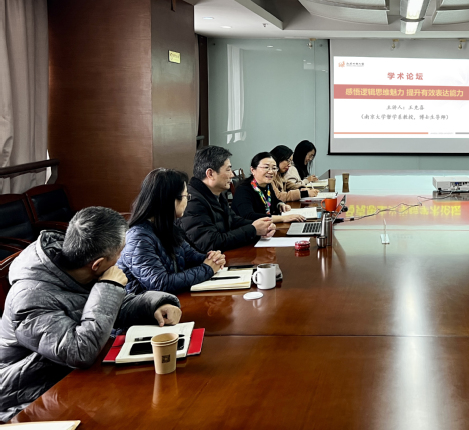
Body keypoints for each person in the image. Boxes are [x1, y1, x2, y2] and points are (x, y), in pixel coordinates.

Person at [0, 207, 182, 420]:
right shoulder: (29, 299)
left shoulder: (77, 265)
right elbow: (79, 352)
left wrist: (154, 305)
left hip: (73, 379)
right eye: (120, 253)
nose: (121, 259)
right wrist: (109, 287)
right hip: (29, 398)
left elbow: (109, 307)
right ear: (97, 264)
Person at [118, 169, 227, 295]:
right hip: (145, 305)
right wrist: (207, 269)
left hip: (169, 300)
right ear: (170, 200)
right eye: (186, 196)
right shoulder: (138, 237)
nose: (187, 201)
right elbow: (160, 283)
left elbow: (192, 257)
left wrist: (213, 258)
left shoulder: (167, 228)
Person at [179, 145, 276, 252]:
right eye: (228, 169)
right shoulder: (192, 201)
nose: (232, 174)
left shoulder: (216, 194)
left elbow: (233, 221)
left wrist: (262, 226)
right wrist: (253, 230)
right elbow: (211, 243)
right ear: (210, 174)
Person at [233, 152, 307, 224]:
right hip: (248, 230)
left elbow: (275, 200)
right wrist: (282, 218)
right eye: (266, 167)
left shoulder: (267, 185)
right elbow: (249, 216)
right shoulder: (243, 190)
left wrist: (280, 205)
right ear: (253, 170)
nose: (271, 172)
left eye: (274, 168)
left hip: (267, 227)